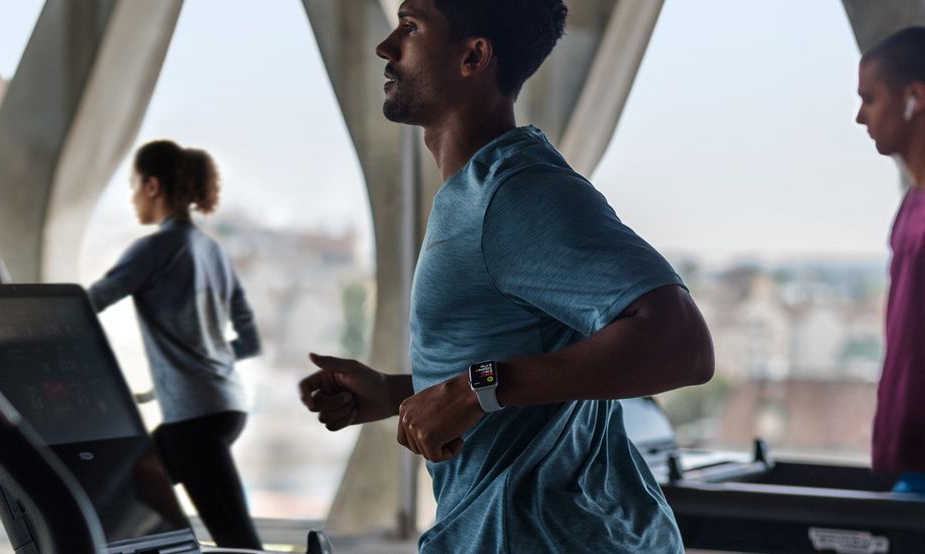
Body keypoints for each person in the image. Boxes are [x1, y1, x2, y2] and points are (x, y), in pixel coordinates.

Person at [298, 1, 714, 551]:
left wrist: (476, 389)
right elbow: (528, 375)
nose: (386, 46)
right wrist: (398, 392)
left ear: (473, 56)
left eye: (411, 27)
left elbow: (683, 345)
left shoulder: (516, 195)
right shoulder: (477, 195)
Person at [89, 140, 264, 549]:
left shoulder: (155, 248)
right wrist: (188, 371)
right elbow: (249, 339)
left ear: (152, 186)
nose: (132, 198)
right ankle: (175, 546)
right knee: (141, 476)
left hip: (195, 415)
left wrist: (14, 301)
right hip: (226, 406)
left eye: (133, 186)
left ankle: (182, 545)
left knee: (237, 540)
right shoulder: (212, 249)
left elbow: (88, 304)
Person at [855, 26, 925, 494]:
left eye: (871, 98)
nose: (861, 117)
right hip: (909, 460)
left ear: (913, 97)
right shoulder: (911, 206)